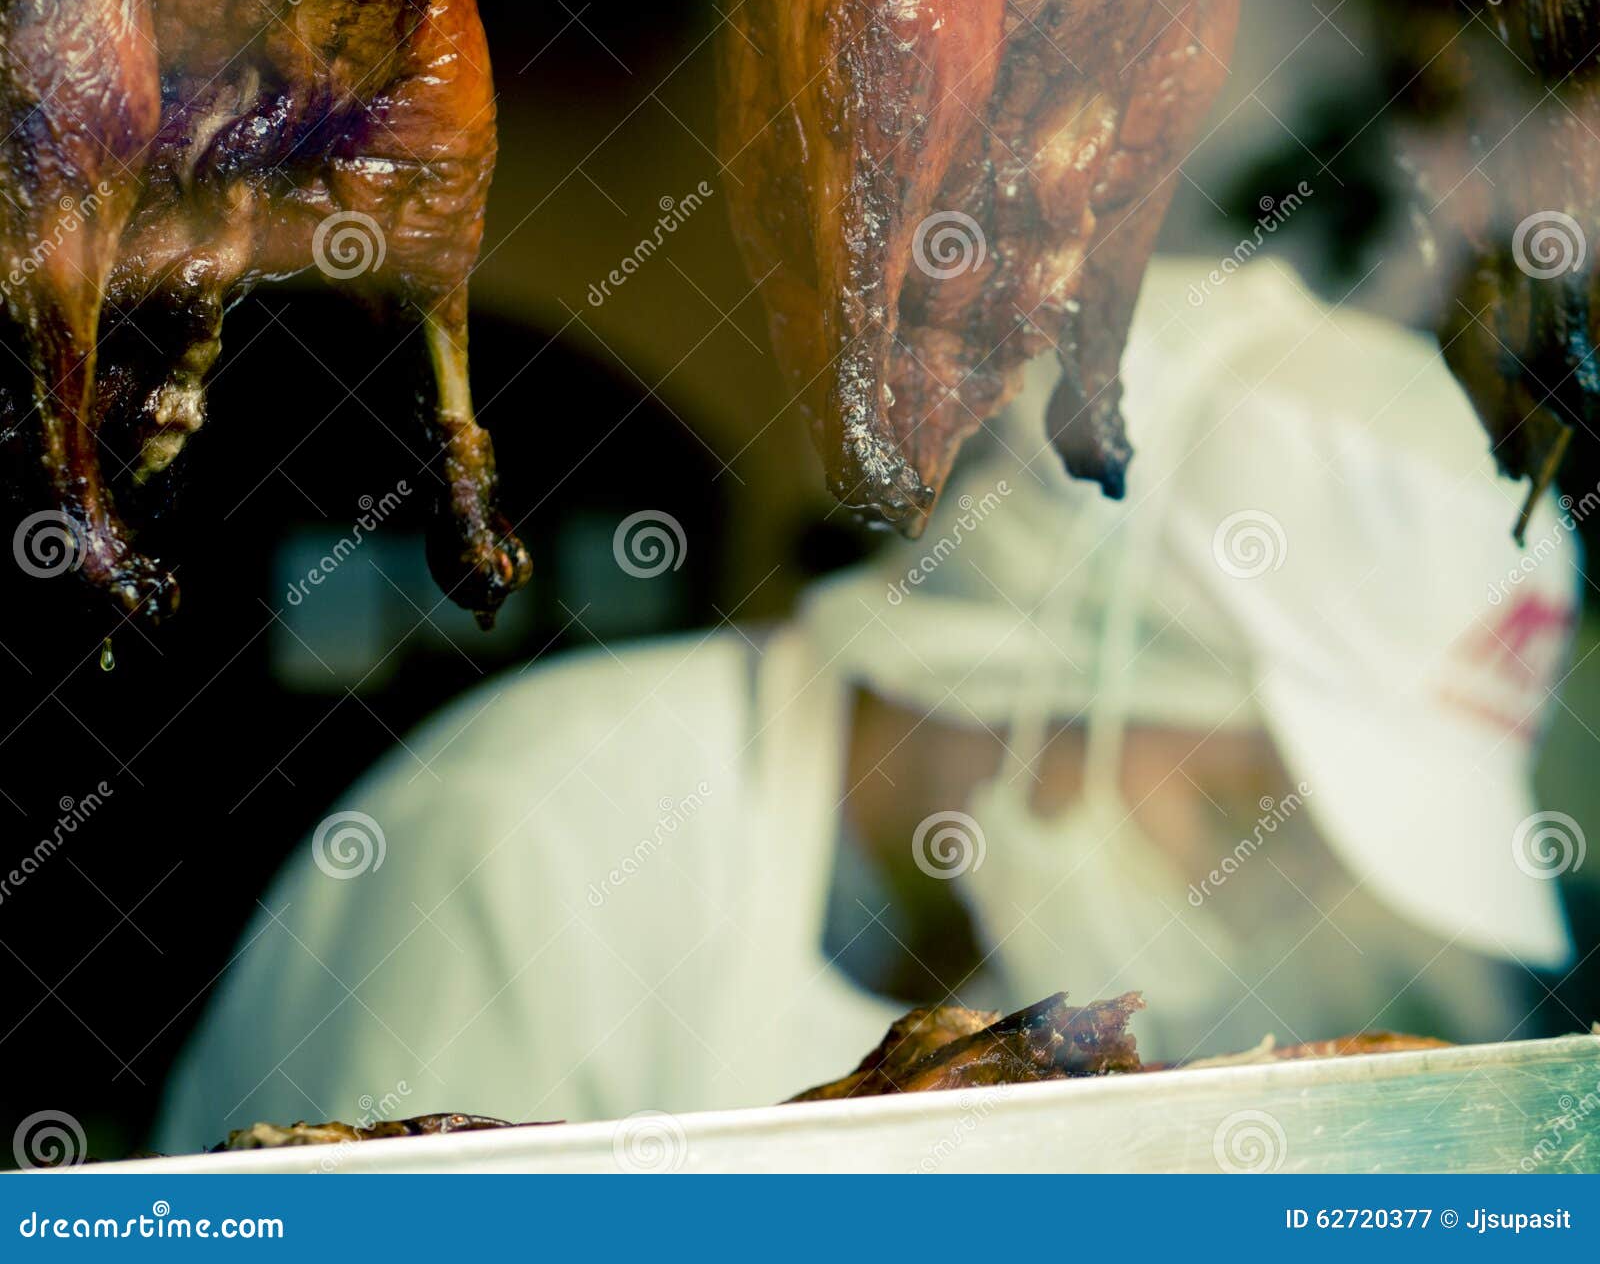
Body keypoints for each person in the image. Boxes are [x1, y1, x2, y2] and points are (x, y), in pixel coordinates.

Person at [154, 257, 1581, 1151]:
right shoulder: (532, 845)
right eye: (1233, 809)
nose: (1249, 905)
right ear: (1050, 651)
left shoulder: (1026, 957)